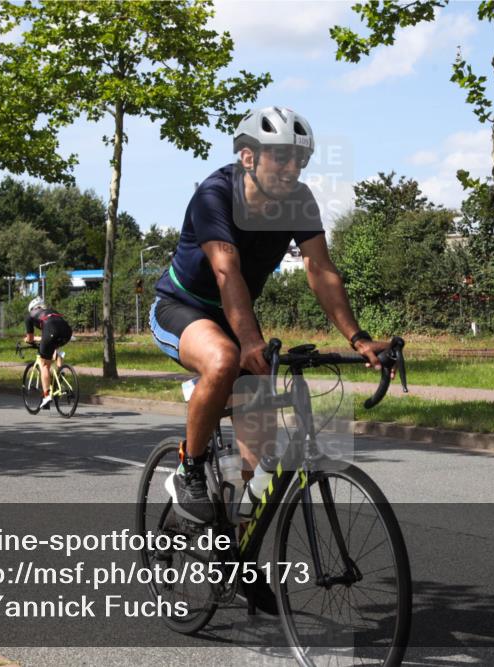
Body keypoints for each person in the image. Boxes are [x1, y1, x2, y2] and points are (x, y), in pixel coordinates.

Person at [149, 106, 395, 523]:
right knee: (224, 358)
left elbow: (321, 270)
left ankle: (236, 558)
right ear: (248, 157)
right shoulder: (214, 195)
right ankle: (189, 468)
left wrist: (358, 337)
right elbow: (226, 271)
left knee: (261, 465)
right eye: (280, 156)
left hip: (236, 315)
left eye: (299, 159)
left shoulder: (298, 200)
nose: (292, 167)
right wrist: (247, 342)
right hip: (181, 307)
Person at [23, 297, 73, 410]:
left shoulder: (30, 316)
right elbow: (50, 330)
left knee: (44, 365)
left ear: (31, 309)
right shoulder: (51, 311)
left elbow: (30, 338)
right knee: (54, 346)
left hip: (51, 331)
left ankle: (46, 396)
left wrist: (27, 340)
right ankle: (59, 372)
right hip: (67, 331)